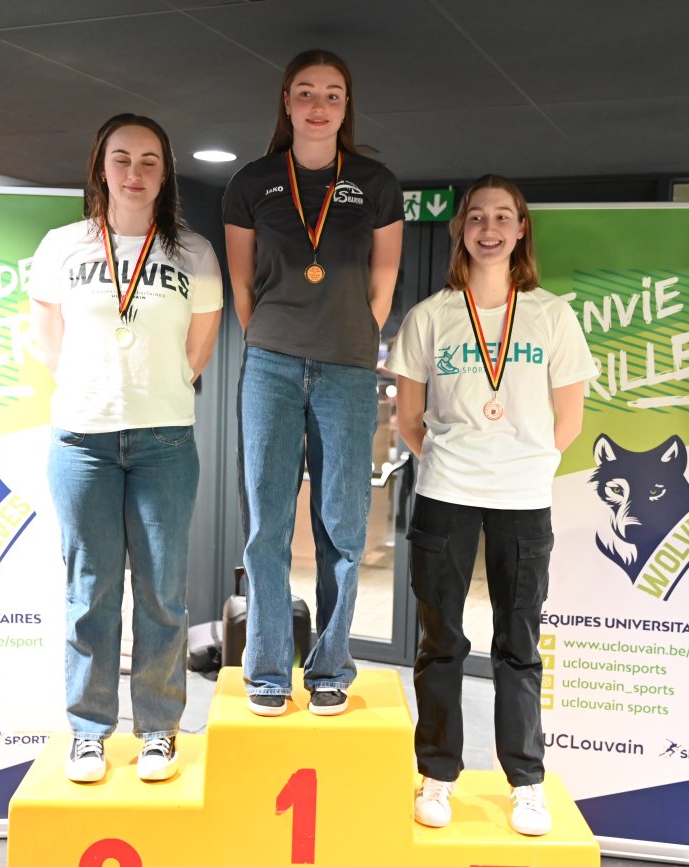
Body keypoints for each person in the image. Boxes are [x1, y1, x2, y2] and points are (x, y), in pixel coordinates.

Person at [387, 176, 594, 836]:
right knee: (441, 641)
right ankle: (437, 772)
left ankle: (526, 781)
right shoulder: (429, 317)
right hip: (445, 493)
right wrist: (453, 461)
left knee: (518, 644)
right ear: (461, 229)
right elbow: (409, 419)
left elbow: (569, 419)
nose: (489, 228)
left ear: (521, 229)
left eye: (503, 216)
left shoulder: (552, 316)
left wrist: (524, 463)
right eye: (477, 216)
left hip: (524, 498)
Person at [28, 113, 223, 784]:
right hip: (81, 440)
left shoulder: (194, 253)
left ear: (165, 173)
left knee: (163, 594)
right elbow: (47, 339)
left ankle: (159, 730)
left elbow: (198, 348)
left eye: (148, 160)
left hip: (164, 440)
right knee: (91, 592)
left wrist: (151, 392)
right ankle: (89, 731)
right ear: (100, 167)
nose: (134, 172)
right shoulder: (62, 246)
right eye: (121, 158)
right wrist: (93, 391)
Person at [222, 48, 404, 717]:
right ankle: (269, 671)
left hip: (348, 369)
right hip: (270, 365)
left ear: (346, 105)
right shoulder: (253, 182)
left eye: (332, 94)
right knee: (266, 525)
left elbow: (384, 278)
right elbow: (243, 283)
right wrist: (277, 336)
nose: (318, 106)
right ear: (287, 102)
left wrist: (354, 335)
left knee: (343, 527)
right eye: (305, 92)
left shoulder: (375, 183)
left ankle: (330, 667)